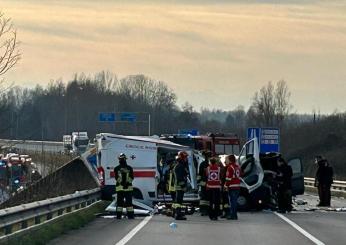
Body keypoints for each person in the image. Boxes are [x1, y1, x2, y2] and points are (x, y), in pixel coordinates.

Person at [114, 153, 134, 219]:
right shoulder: (129, 168)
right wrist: (126, 183)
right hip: (127, 188)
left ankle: (119, 216)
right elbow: (131, 177)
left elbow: (117, 178)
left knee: (121, 204)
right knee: (128, 204)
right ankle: (130, 216)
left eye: (121, 159)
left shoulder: (117, 168)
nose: (121, 160)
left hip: (121, 188)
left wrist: (123, 183)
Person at [224, 154, 242, 220]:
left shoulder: (230, 167)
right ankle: (235, 215)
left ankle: (233, 215)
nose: (226, 161)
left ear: (230, 160)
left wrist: (225, 186)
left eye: (227, 159)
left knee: (232, 202)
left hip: (232, 187)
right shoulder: (238, 167)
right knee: (234, 201)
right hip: (237, 186)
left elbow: (228, 178)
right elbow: (240, 176)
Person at [173, 151, 189, 220]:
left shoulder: (180, 165)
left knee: (178, 201)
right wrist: (183, 186)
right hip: (180, 187)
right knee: (179, 202)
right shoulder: (180, 166)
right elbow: (180, 178)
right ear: (182, 158)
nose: (186, 159)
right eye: (185, 158)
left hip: (179, 187)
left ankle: (176, 214)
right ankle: (178, 215)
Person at [197, 150, 211, 216]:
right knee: (208, 197)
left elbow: (199, 174)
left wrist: (199, 182)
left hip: (203, 183)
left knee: (203, 197)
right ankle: (207, 210)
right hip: (210, 183)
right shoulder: (211, 164)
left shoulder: (202, 164)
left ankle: (203, 210)